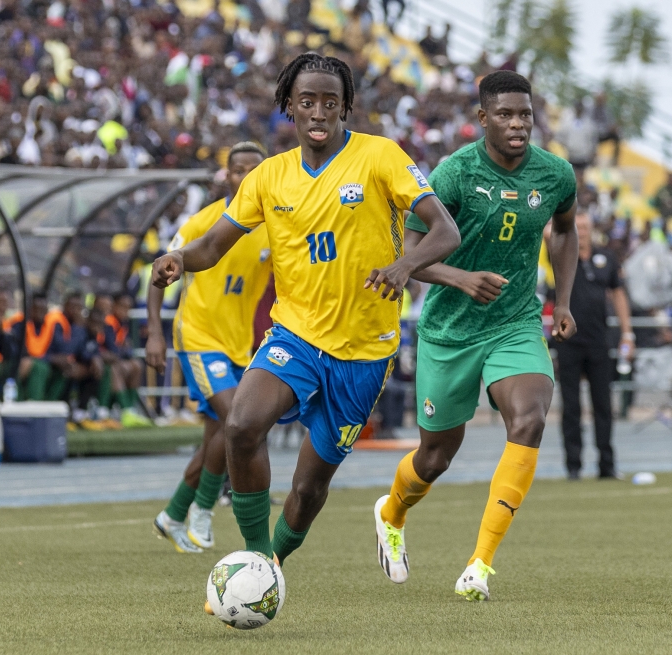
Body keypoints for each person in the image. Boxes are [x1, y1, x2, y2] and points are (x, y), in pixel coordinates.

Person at [151, 53, 460, 579]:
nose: (318, 111)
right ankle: (254, 559)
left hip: (364, 351)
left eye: (330, 102)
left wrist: (404, 265)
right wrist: (179, 260)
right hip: (294, 335)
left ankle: (273, 560)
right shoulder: (269, 177)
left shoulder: (380, 157)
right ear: (288, 107)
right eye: (307, 101)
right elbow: (212, 246)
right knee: (242, 425)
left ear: (345, 108)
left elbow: (445, 232)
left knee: (308, 487)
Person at [374, 70, 578, 601]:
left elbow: (565, 227)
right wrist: (461, 278)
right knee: (436, 457)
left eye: (525, 114)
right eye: (506, 115)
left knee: (529, 419)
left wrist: (565, 300)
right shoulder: (455, 173)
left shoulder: (555, 174)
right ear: (483, 119)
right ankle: (391, 513)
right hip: (449, 329)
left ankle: (479, 566)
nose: (518, 124)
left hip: (515, 322)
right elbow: (411, 259)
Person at [147, 141, 272, 554]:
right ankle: (203, 511)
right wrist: (154, 332)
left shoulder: (274, 225)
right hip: (199, 337)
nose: (246, 177)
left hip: (239, 346)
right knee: (238, 418)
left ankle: (171, 516)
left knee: (217, 437)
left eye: (255, 169)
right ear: (227, 175)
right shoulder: (204, 221)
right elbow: (161, 270)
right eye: (239, 169)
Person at [549, 213, 632, 480]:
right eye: (577, 227)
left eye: (585, 227)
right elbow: (546, 232)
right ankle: (573, 466)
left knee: (603, 405)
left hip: (598, 340)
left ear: (592, 229)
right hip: (568, 341)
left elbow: (618, 294)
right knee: (571, 406)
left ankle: (606, 465)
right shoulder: (561, 254)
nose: (581, 232)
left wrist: (627, 333)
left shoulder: (606, 258)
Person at [98, 294, 152, 427]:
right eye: (122, 306)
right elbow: (112, 348)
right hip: (101, 362)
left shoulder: (123, 324)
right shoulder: (109, 321)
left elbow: (126, 349)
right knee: (116, 369)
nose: (126, 310)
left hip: (115, 359)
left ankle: (131, 409)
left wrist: (123, 351)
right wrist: (122, 351)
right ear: (114, 306)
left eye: (128, 307)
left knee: (137, 365)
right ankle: (124, 411)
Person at [7, 292, 71, 401]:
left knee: (66, 369)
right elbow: (16, 353)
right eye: (36, 308)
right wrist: (49, 358)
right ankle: (33, 403)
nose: (40, 313)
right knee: (39, 367)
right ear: (29, 309)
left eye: (43, 309)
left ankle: (51, 404)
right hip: (20, 366)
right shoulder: (18, 325)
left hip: (46, 366)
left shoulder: (52, 327)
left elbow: (60, 350)